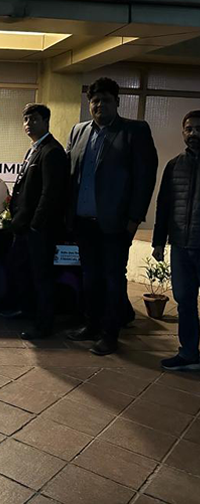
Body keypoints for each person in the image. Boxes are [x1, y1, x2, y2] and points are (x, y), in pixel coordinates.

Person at [66, 77, 158, 355]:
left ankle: (110, 334)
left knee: (113, 280)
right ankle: (91, 325)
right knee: (89, 277)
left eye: (105, 100)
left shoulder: (134, 131)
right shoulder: (79, 131)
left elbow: (145, 178)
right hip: (83, 222)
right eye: (95, 100)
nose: (99, 105)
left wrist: (134, 220)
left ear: (116, 102)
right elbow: (71, 175)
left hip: (115, 225)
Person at [6, 103, 68, 339]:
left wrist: (36, 224)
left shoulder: (52, 151)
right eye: (26, 120)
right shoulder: (33, 149)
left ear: (45, 122)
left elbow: (51, 193)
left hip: (39, 228)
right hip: (23, 226)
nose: (28, 124)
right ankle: (26, 310)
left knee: (42, 277)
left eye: (33, 119)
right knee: (22, 270)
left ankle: (44, 325)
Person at [152, 110, 200, 371]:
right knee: (185, 301)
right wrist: (159, 241)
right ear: (183, 132)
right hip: (181, 246)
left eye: (198, 129)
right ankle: (189, 353)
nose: (194, 134)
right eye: (189, 129)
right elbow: (164, 206)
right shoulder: (174, 165)